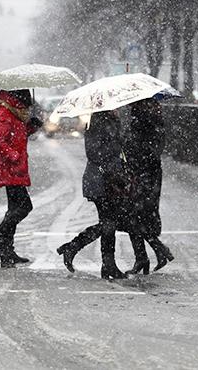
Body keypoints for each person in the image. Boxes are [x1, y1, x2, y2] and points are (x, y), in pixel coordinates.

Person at [56, 110, 129, 279]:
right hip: (101, 180)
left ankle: (99, 260)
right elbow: (94, 153)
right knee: (109, 223)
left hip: (109, 180)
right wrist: (115, 147)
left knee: (109, 223)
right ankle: (105, 263)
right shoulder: (99, 122)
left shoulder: (112, 121)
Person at [0, 89, 42, 268]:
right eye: (26, 102)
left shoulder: (15, 113)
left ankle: (7, 251)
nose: (28, 106)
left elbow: (16, 135)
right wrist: (14, 156)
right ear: (18, 99)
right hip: (9, 167)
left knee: (14, 208)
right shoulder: (6, 112)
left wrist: (30, 127)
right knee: (24, 206)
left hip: (15, 167)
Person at [123, 98, 174, 274]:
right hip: (143, 174)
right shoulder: (143, 119)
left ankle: (147, 256)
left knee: (135, 216)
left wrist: (132, 152)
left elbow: (151, 150)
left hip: (144, 175)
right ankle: (154, 252)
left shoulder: (146, 121)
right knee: (137, 217)